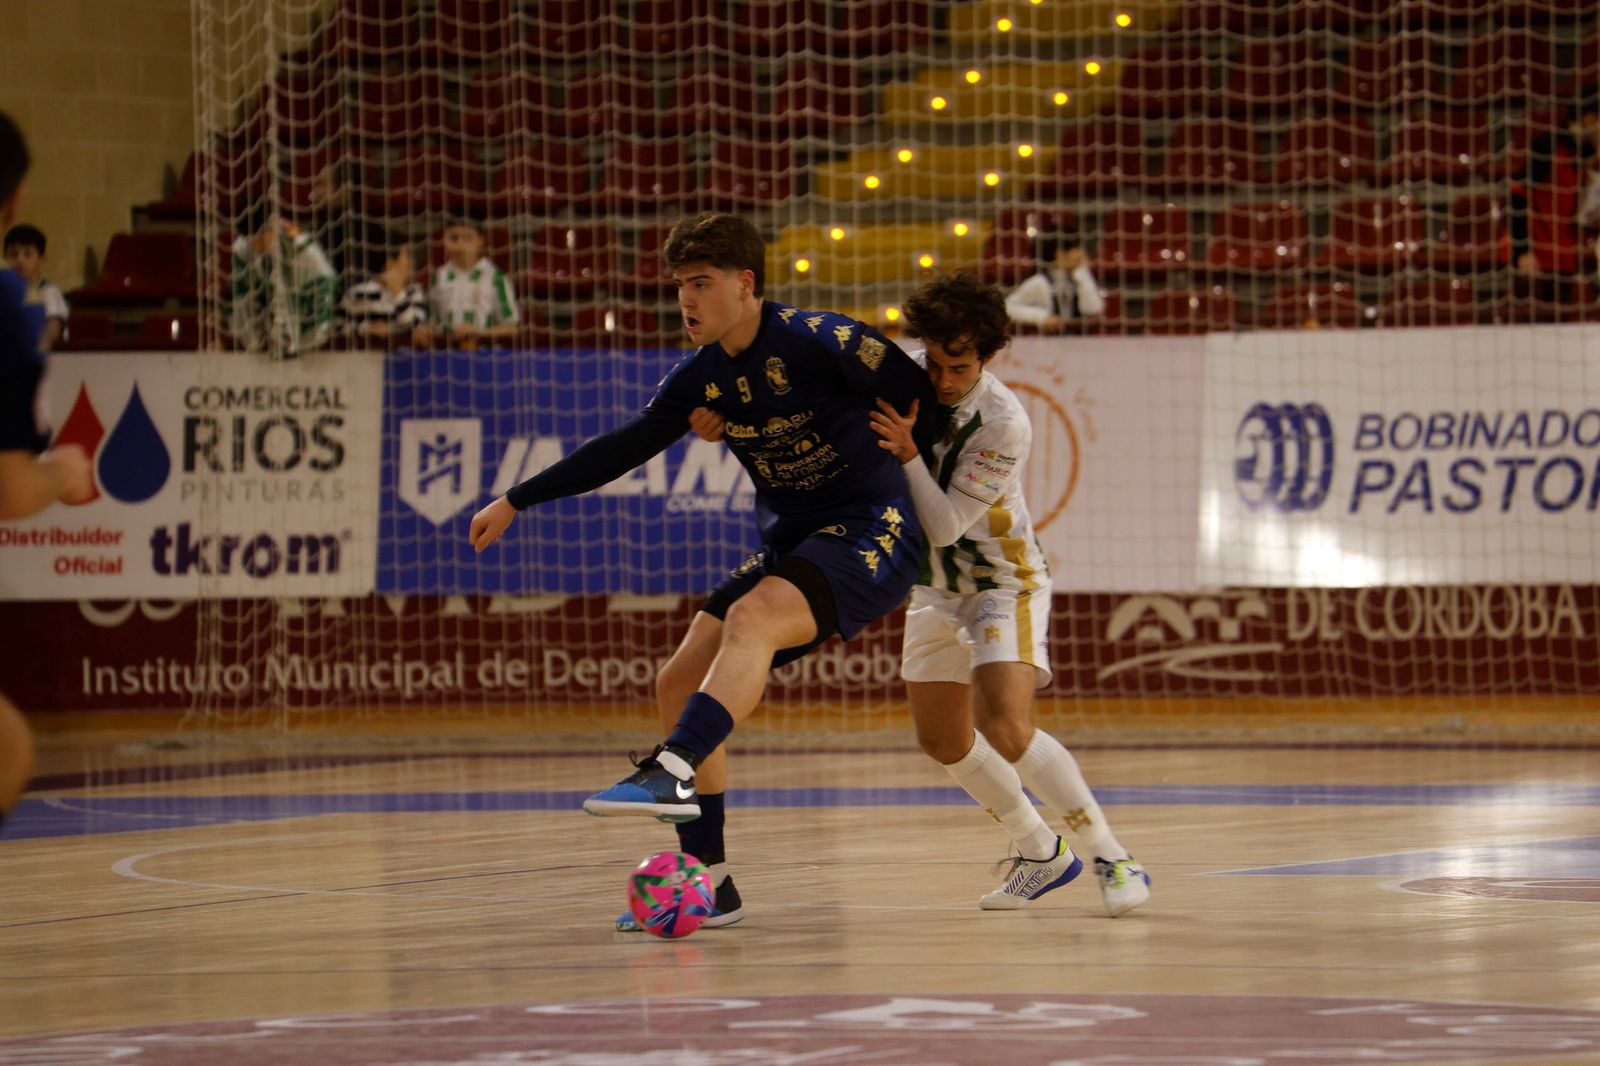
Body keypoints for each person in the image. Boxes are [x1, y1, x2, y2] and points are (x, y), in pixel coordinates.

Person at [467, 212, 939, 926]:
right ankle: (709, 882)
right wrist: (515, 499)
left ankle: (672, 766)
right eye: (679, 286)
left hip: (873, 529)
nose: (685, 300)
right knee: (679, 678)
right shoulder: (701, 378)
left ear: (745, 284)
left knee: (751, 617)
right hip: (795, 539)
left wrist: (926, 465)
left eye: (700, 284)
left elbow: (925, 395)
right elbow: (623, 447)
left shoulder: (821, 339)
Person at [869, 270, 1150, 917]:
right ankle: (1038, 848)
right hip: (935, 589)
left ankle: (1112, 855)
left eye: (960, 366)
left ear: (989, 357)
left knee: (1005, 725)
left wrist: (909, 453)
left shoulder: (1003, 423)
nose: (943, 379)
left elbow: (944, 524)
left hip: (1002, 582)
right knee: (941, 740)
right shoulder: (897, 376)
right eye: (936, 363)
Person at [0, 110, 94, 829]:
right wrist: (61, 473)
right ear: (16, 200)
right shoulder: (8, 307)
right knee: (7, 753)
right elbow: (8, 489)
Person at [1509, 88, 1600, 284]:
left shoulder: (1588, 157)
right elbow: (1518, 196)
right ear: (1590, 119)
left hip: (1569, 258)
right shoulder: (1547, 148)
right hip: (1539, 260)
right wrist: (1522, 251)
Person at [227, 204, 338, 357]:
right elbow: (240, 297)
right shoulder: (242, 250)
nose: (257, 246)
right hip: (270, 318)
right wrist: (253, 340)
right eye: (252, 242)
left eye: (261, 240)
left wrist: (309, 338)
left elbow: (327, 285)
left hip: (306, 313)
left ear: (272, 229)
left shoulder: (302, 248)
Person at [413, 218, 519, 349]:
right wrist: (424, 330)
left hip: (485, 354)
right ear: (444, 240)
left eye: (467, 238)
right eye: (453, 238)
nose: (460, 244)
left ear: (480, 241)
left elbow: (512, 328)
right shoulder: (438, 277)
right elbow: (429, 320)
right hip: (445, 353)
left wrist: (477, 332)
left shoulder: (496, 278)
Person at [1004, 231, 1104, 333]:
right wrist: (1041, 317)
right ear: (1059, 254)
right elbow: (1008, 308)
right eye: (1076, 249)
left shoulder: (1079, 277)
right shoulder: (1040, 282)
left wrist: (1082, 273)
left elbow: (1093, 309)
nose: (1081, 254)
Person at [341, 231, 428, 344]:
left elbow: (416, 327)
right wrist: (366, 329)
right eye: (407, 256)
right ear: (390, 262)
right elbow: (338, 327)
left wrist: (398, 293)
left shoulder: (415, 292)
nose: (412, 263)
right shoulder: (356, 293)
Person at [2, 224, 67, 351]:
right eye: (13, 254)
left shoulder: (49, 292)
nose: (19, 260)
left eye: (27, 254)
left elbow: (53, 329)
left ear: (42, 259)